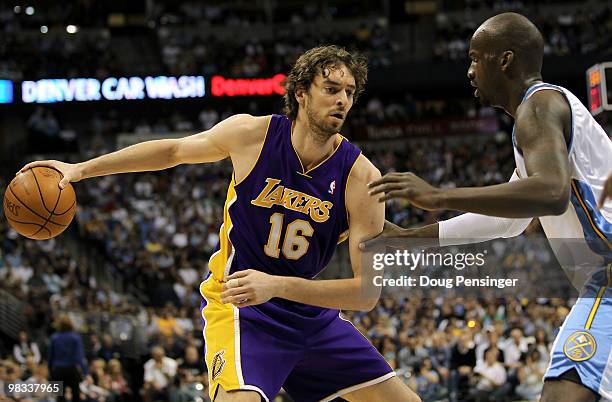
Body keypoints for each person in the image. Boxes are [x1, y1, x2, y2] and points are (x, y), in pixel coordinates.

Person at [20, 45, 420, 402]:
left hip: (309, 313)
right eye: (331, 89)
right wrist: (81, 169)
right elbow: (172, 150)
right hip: (243, 308)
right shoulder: (251, 135)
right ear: (301, 93)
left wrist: (277, 286)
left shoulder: (362, 178)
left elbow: (367, 294)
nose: (343, 100)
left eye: (350, 92)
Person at [364, 12, 612, 402]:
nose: (469, 71)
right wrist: (408, 239)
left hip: (608, 278)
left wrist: (438, 195)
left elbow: (551, 193)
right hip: (601, 278)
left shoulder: (539, 106)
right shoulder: (541, 118)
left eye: (476, 58)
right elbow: (504, 223)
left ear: (505, 60)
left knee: (563, 393)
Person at [48, 315, 87, 402]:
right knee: (76, 394)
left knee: (59, 396)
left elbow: (50, 356)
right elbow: (79, 357)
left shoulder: (54, 337)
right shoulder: (75, 337)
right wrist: (85, 372)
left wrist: (50, 370)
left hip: (57, 370)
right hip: (71, 369)